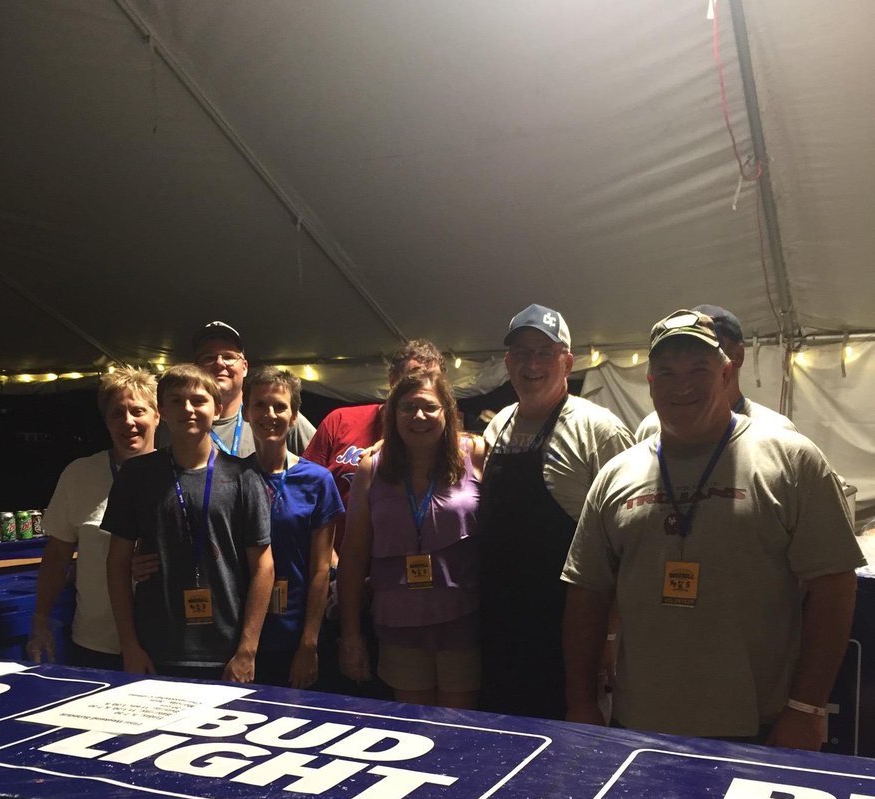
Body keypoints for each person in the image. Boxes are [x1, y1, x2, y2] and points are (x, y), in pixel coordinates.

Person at [562, 308, 865, 750]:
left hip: (758, 727)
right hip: (639, 726)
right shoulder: (616, 475)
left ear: (726, 373)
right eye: (666, 371)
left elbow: (834, 586)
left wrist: (807, 708)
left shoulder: (791, 461)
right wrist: (581, 703)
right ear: (649, 383)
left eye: (698, 369)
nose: (681, 385)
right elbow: (586, 594)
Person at [479, 304, 634, 720]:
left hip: (570, 636)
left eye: (544, 352)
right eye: (522, 353)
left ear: (567, 361)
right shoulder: (497, 427)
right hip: (500, 628)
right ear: (508, 362)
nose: (532, 364)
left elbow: (627, 546)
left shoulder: (598, 429)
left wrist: (611, 636)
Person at [103, 363, 274, 681]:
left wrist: (247, 650)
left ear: (217, 408)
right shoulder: (136, 476)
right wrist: (129, 644)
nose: (188, 409)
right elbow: (117, 563)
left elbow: (264, 566)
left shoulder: (244, 477)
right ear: (162, 411)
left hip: (227, 651)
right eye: (177, 401)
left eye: (198, 400)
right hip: (154, 649)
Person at [338, 370, 484, 708]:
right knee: (415, 729)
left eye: (429, 407)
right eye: (407, 407)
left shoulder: (475, 455)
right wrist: (351, 636)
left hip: (463, 621)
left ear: (448, 411)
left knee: (459, 731)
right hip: (398, 623)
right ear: (393, 414)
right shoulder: (371, 469)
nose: (419, 416)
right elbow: (354, 556)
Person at [26, 369, 160, 670]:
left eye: (138, 411)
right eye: (117, 413)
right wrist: (40, 621)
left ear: (157, 416)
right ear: (106, 421)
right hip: (95, 642)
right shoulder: (79, 474)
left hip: (165, 641)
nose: (128, 422)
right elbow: (57, 556)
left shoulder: (174, 473)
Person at [242, 367, 343, 688]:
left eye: (280, 406)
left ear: (295, 415)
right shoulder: (233, 478)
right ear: (246, 412)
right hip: (242, 634)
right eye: (259, 405)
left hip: (297, 632)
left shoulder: (317, 480)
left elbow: (320, 569)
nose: (269, 414)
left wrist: (309, 643)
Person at [303, 339, 447, 554]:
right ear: (392, 380)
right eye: (412, 377)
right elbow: (304, 493)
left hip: (403, 567)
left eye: (431, 378)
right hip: (339, 563)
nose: (421, 386)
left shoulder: (437, 437)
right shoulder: (340, 421)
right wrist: (326, 557)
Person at [156, 321, 316, 457]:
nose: (219, 363)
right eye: (209, 358)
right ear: (197, 368)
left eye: (229, 357)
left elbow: (321, 467)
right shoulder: (174, 421)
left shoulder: (274, 416)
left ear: (244, 367)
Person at [634, 304, 795, 439]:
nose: (684, 383)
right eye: (668, 371)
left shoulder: (775, 430)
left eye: (710, 350)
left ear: (737, 356)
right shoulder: (652, 428)